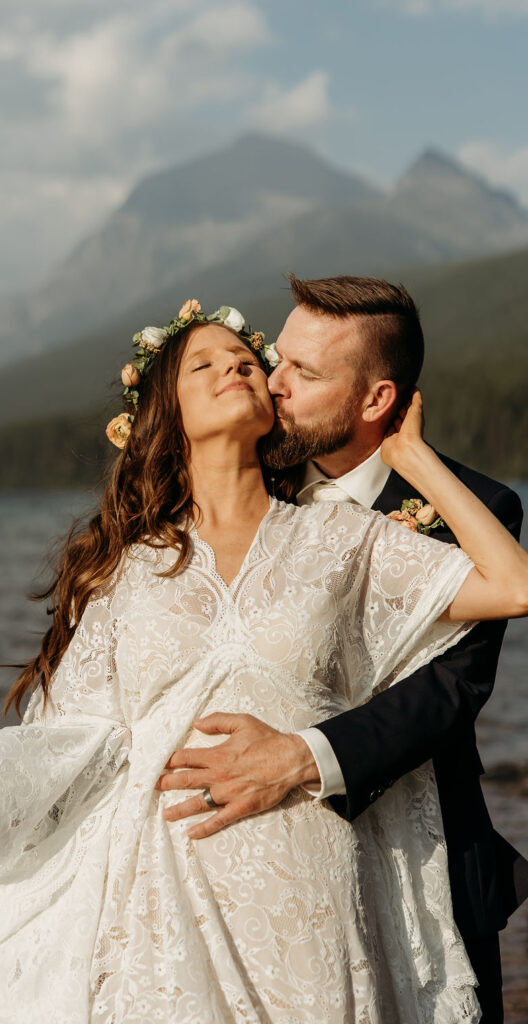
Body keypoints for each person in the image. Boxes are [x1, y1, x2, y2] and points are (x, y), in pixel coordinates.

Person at [0, 299, 528, 1023]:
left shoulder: (342, 536)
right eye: (209, 364)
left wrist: (409, 455)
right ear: (166, 413)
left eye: (245, 361)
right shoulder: (129, 570)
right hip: (164, 879)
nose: (249, 369)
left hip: (312, 870)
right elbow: (78, 738)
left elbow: (512, 591)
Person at [157, 276, 528, 1023]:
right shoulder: (248, 484)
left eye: (306, 374)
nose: (273, 384)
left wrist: (304, 757)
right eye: (277, 358)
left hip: (424, 849)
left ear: (375, 401)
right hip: (263, 856)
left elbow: (446, 694)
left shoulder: (478, 508)